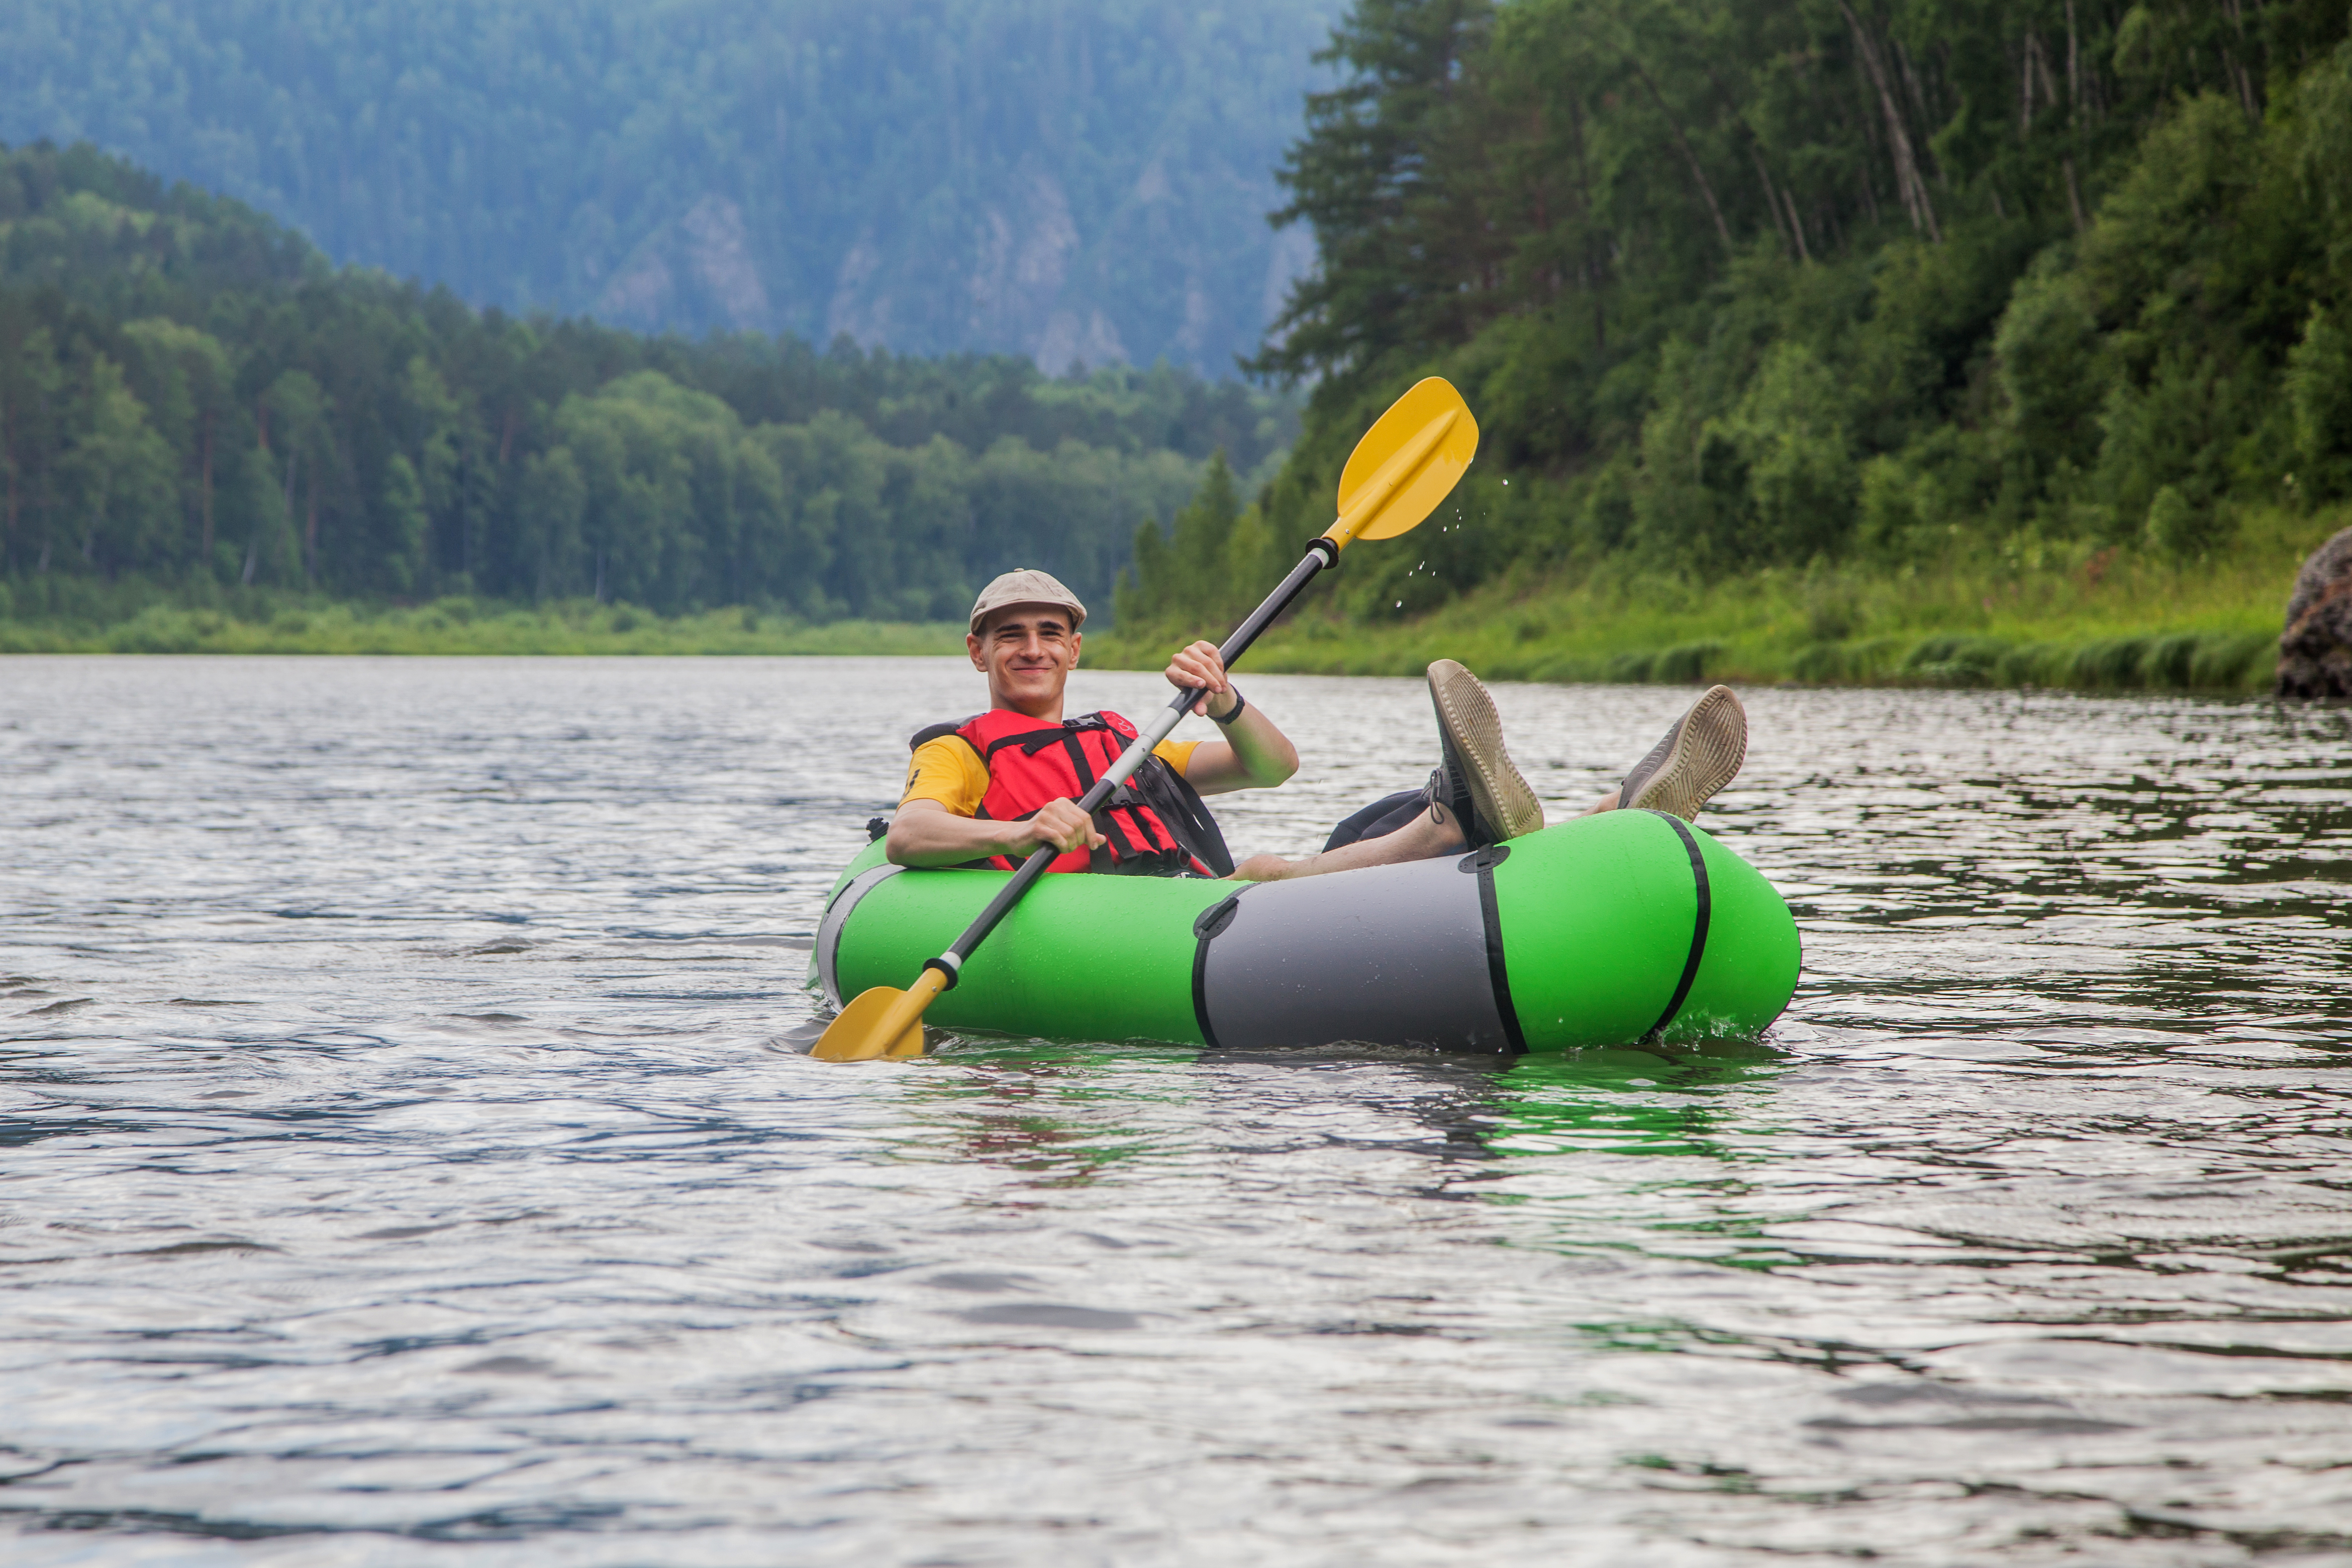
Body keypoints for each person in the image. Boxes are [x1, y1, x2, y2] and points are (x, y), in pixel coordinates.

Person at [886, 568, 1748, 882]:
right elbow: (910, 834)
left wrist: (1226, 701)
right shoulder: (962, 750)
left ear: (1074, 650)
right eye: (1011, 637)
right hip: (1160, 915)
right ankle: (1519, 818)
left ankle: (1612, 820)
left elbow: (1271, 767)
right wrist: (1023, 823)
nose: (1030, 650)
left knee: (1379, 817)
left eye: (1048, 635)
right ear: (978, 653)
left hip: (1198, 901)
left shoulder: (1126, 738)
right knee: (1267, 868)